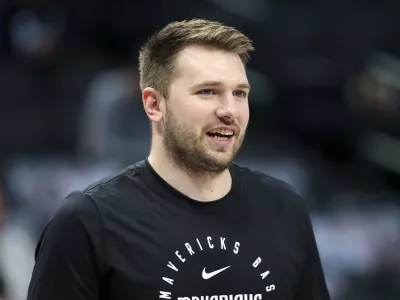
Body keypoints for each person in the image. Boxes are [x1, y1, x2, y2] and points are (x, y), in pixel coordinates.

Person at [27, 19, 331, 300]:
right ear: (154, 104)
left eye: (239, 93)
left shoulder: (285, 209)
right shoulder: (88, 223)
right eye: (208, 91)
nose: (230, 110)